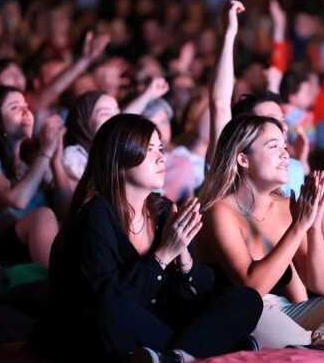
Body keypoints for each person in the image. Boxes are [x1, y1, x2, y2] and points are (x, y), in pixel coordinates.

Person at [42, 114, 262, 362]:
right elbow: (111, 302)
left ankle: (178, 355)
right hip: (103, 332)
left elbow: (197, 291)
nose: (161, 157)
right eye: (149, 150)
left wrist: (183, 258)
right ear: (121, 158)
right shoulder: (95, 215)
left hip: (157, 327)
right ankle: (204, 348)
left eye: (160, 148)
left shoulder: (162, 209)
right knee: (110, 309)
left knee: (246, 298)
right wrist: (164, 254)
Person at [196, 115, 324, 352]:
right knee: (278, 326)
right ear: (243, 159)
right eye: (273, 146)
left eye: (284, 146)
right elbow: (252, 288)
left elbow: (320, 284)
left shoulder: (287, 206)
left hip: (289, 311)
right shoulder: (220, 211)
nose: (285, 154)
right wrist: (298, 227)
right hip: (246, 314)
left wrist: (313, 226)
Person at [0, 86, 65, 267]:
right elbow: (17, 200)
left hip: (28, 243)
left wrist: (56, 161)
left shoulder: (30, 161)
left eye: (26, 105)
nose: (26, 111)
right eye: (15, 107)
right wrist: (46, 151)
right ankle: (58, 284)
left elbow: (65, 208)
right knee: (43, 215)